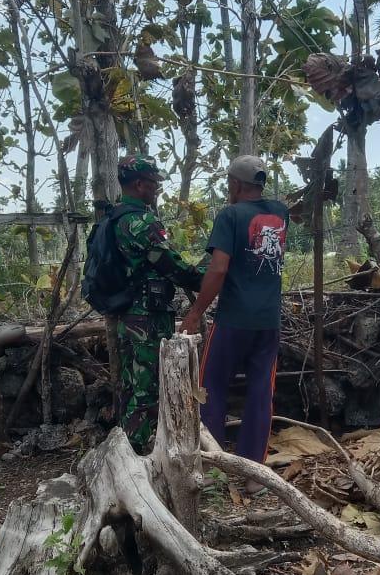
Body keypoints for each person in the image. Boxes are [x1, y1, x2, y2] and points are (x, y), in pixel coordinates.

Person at [181, 156, 289, 486]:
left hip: (232, 320)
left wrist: (195, 313)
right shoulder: (280, 213)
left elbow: (218, 269)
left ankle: (212, 465)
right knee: (260, 390)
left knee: (209, 386)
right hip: (268, 321)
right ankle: (253, 472)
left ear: (235, 184)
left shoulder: (230, 215)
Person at [113, 154, 204, 452]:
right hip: (148, 316)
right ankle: (137, 455)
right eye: (154, 184)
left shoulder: (115, 217)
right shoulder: (141, 222)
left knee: (131, 384)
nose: (157, 189)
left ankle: (127, 447)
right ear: (139, 184)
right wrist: (206, 273)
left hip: (128, 313)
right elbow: (170, 265)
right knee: (147, 388)